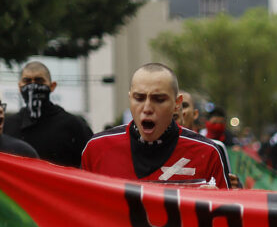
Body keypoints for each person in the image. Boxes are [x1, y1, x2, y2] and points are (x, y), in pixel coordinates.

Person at [81, 63, 230, 188]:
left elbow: (228, 218)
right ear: (129, 98)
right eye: (139, 98)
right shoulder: (97, 149)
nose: (147, 108)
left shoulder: (208, 152)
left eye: (158, 99)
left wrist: (214, 199)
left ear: (177, 104)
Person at [3, 61, 93, 167]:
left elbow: (91, 161)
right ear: (20, 87)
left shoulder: (73, 125)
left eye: (39, 81)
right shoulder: (8, 125)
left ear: (52, 86)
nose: (33, 85)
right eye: (27, 81)